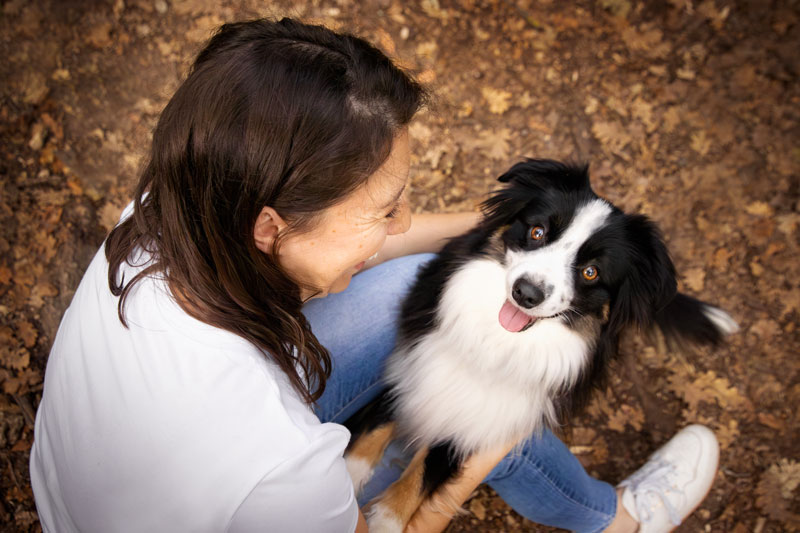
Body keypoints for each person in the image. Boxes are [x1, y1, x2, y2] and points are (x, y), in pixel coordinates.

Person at [30, 18, 719, 533]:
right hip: (245, 495)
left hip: (77, 487)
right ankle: (618, 520)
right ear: (272, 227)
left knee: (426, 292)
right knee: (490, 417)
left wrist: (512, 236)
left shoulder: (179, 199)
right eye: (386, 209)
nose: (402, 218)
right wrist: (452, 488)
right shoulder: (278, 463)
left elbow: (406, 251)